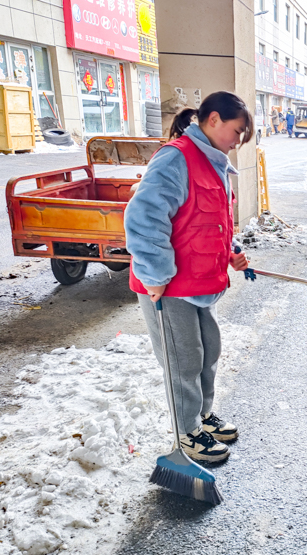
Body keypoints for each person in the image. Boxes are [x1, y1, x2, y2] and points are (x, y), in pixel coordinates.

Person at [125, 91, 254, 465]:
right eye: (237, 130)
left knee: (207, 350)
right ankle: (187, 433)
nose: (238, 140)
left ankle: (201, 415)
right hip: (168, 285)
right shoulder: (176, 158)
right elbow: (143, 220)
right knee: (183, 361)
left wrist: (230, 252)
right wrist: (155, 277)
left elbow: (209, 219)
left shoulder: (213, 161)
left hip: (200, 282)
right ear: (213, 119)